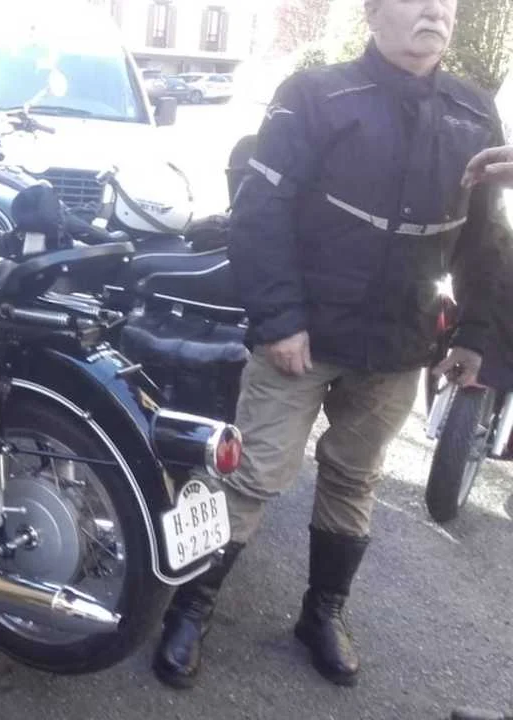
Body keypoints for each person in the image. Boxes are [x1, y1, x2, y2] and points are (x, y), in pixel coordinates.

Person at [152, 0, 509, 690]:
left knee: (354, 478)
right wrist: (280, 320)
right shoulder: (316, 94)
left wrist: (476, 335)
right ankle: (189, 608)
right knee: (250, 475)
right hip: (303, 335)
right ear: (373, 12)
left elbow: (485, 235)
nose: (435, 9)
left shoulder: (474, 113)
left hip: (399, 342)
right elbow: (259, 211)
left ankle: (322, 614)